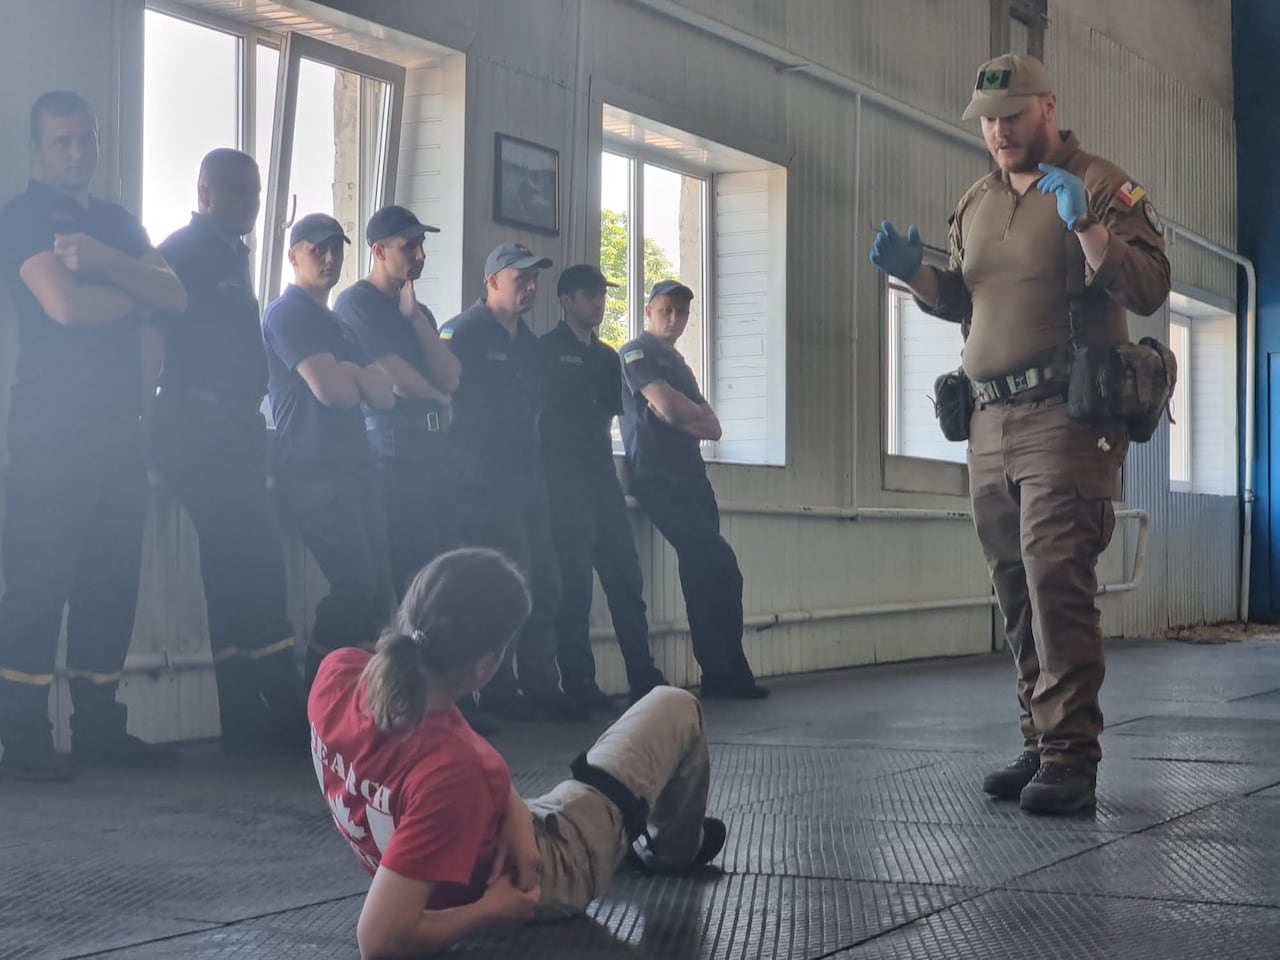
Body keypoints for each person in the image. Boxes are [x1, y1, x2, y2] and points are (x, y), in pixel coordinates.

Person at [869, 54, 1170, 813]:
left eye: (1012, 117)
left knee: (1054, 578)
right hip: (988, 419)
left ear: (1047, 109)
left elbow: (1149, 286)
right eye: (988, 121)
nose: (999, 133)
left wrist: (1089, 228)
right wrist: (917, 276)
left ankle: (1072, 756)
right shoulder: (976, 200)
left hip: (1067, 418)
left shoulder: (1100, 183)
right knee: (1012, 586)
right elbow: (970, 304)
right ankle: (1039, 740)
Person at [307, 547, 726, 959]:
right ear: (484, 667)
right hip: (552, 872)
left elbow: (438, 772)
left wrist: (511, 811)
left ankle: (622, 833)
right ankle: (667, 852)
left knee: (550, 795)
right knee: (674, 705)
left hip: (463, 843)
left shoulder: (338, 672)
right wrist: (491, 909)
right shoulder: (455, 769)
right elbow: (378, 940)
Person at [0, 91, 186, 779]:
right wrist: (136, 290)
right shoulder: (21, 218)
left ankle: (100, 729)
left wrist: (108, 258)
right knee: (39, 587)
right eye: (61, 142)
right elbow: (67, 307)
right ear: (37, 150)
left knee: (111, 586)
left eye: (85, 138)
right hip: (51, 431)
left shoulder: (114, 224)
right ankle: (21, 741)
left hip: (119, 431)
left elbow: (178, 296)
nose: (76, 152)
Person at [150, 148, 304, 754]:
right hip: (197, 426)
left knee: (233, 569)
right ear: (205, 192)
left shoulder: (231, 257)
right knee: (256, 564)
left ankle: (242, 710)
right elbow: (155, 337)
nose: (250, 202)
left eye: (257, 191)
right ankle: (281, 706)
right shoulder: (181, 252)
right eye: (238, 190)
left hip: (235, 429)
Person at [439, 243, 582, 721]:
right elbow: (445, 399)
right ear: (492, 281)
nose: (530, 286)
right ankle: (497, 689)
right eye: (520, 277)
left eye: (534, 279)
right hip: (480, 482)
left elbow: (538, 411)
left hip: (529, 480)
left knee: (545, 579)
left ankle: (541, 684)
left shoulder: (531, 346)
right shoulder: (462, 333)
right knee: (502, 585)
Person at [261, 212, 396, 687]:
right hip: (312, 471)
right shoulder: (286, 312)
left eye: (336, 247)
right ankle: (316, 695)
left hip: (357, 469)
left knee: (379, 593)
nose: (329, 256)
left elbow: (384, 395)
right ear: (293, 254)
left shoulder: (341, 326)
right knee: (355, 585)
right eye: (317, 248)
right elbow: (333, 391)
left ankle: (356, 707)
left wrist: (353, 376)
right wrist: (356, 377)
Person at [619, 281, 769, 700]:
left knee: (712, 574)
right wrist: (684, 416)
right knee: (717, 561)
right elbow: (667, 407)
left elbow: (713, 426)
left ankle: (725, 674)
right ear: (649, 310)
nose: (674, 319)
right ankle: (723, 671)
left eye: (682, 312)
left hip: (692, 478)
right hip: (658, 480)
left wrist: (680, 417)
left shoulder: (680, 365)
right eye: (666, 310)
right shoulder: (635, 353)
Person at [539, 264, 667, 709]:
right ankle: (578, 684)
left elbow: (613, 413)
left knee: (626, 579)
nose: (598, 302)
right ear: (566, 300)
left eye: (602, 295)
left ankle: (642, 674)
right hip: (563, 484)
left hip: (600, 480)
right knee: (574, 585)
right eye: (589, 295)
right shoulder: (546, 352)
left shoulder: (607, 357)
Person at [333, 205, 460, 597]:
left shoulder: (417, 311)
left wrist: (417, 321)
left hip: (432, 450)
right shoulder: (355, 303)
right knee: (409, 570)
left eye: (422, 246)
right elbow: (394, 375)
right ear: (379, 250)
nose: (420, 255)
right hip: (391, 448)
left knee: (438, 569)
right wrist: (439, 398)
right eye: (410, 247)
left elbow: (451, 375)